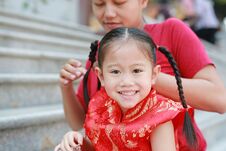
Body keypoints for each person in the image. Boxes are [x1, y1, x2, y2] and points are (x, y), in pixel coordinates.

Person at [60, 0, 226, 131]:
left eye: (119, 2)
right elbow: (79, 123)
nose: (108, 13)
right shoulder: (99, 52)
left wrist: (141, 76)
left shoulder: (171, 32)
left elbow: (219, 100)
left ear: (143, 1)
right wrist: (66, 87)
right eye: (99, 4)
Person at [56, 27, 206, 151]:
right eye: (115, 72)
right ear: (101, 76)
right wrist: (79, 143)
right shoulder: (100, 106)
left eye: (136, 71)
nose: (126, 82)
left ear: (154, 74)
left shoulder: (159, 118)